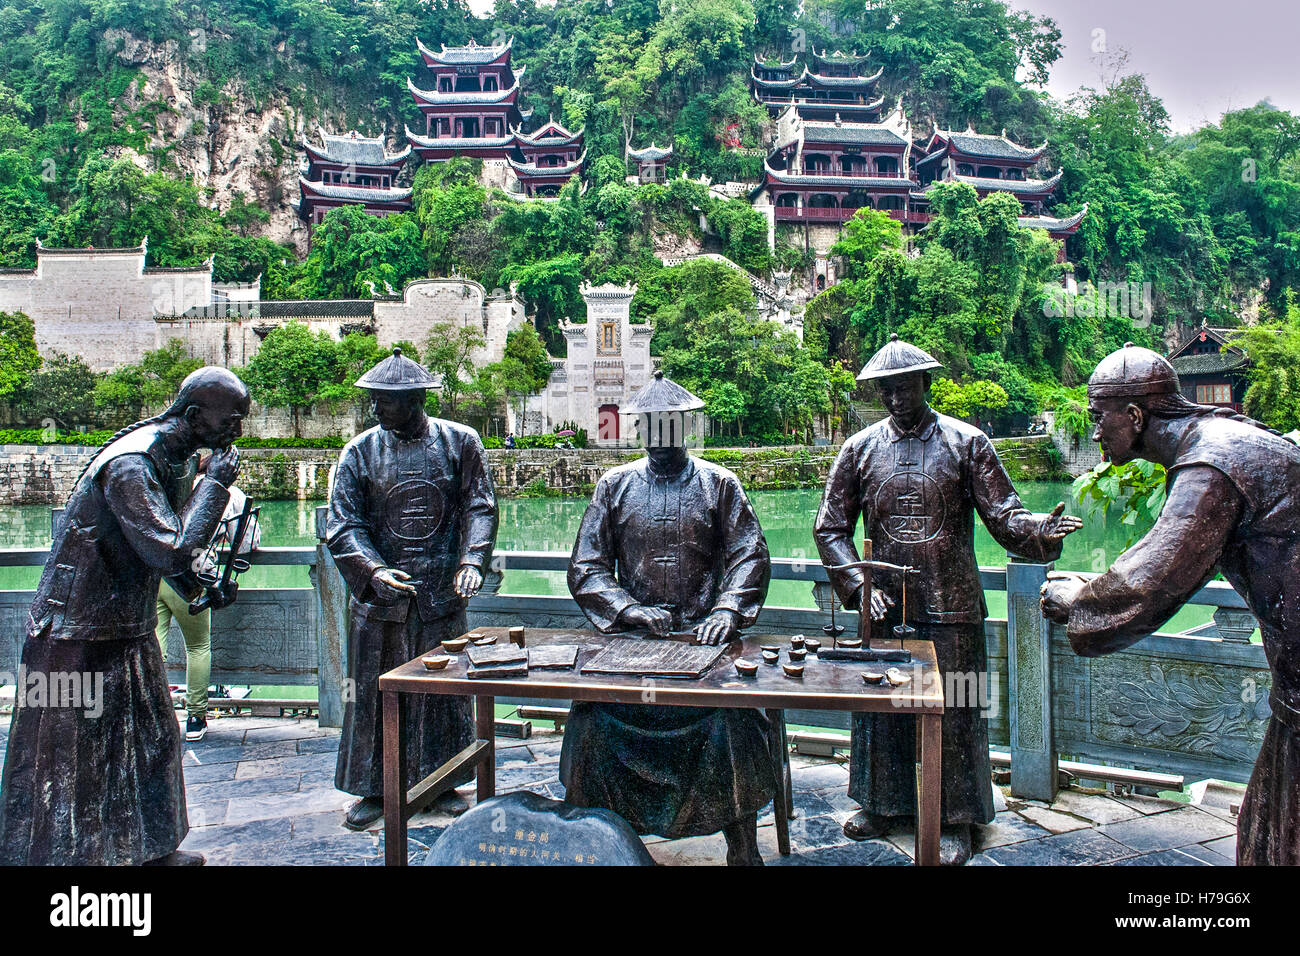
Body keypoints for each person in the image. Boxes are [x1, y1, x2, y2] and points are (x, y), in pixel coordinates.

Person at [814, 335, 1081, 865]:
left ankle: (958, 817)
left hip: (951, 603)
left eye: (904, 386)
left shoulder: (967, 442)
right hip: (886, 606)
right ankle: (882, 803)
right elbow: (830, 528)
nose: (895, 398)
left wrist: (1041, 533)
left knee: (957, 709)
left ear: (926, 383)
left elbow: (1004, 515)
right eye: (886, 390)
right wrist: (859, 588)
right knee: (882, 707)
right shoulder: (859, 449)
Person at [1040, 343, 1300, 866]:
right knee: (1267, 830)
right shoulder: (1227, 438)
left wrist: (1076, 599)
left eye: (1099, 418)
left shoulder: (1211, 462)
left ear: (1134, 416)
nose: (1094, 433)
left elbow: (1152, 582)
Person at [0, 367, 249, 866]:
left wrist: (201, 586)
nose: (237, 434)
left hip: (126, 624)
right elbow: (171, 549)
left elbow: (154, 552)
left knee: (152, 740)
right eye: (231, 422)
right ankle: (70, 863)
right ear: (195, 416)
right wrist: (216, 486)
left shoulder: (177, 459)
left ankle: (149, 847)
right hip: (76, 632)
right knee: (74, 760)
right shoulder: (132, 464)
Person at [563, 371, 777, 865]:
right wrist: (628, 609)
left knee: (731, 723)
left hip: (705, 642)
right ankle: (596, 840)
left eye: (669, 425)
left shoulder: (720, 484)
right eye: (650, 425)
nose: (659, 437)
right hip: (636, 644)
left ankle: (742, 845)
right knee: (592, 720)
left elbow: (751, 554)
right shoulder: (614, 486)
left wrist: (727, 609)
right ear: (638, 429)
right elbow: (586, 565)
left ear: (685, 427)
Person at [327, 347, 498, 831]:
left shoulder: (460, 442)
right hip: (382, 597)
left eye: (386, 400)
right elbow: (343, 526)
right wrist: (373, 571)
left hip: (440, 592)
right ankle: (374, 786)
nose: (376, 408)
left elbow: (480, 508)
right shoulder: (359, 452)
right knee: (375, 693)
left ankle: (442, 781)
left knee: (441, 694)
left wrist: (472, 560)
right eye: (375, 400)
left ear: (416, 398)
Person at [155, 458, 262, 742]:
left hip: (156, 574)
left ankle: (152, 715)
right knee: (198, 647)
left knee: (153, 647)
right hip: (195, 576)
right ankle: (195, 717)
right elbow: (248, 542)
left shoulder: (167, 487)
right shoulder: (230, 493)